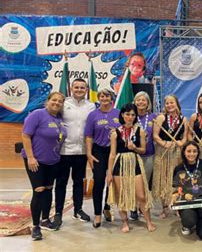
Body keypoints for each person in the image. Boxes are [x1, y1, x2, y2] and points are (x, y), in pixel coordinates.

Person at [22, 92, 67, 240]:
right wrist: (30, 157)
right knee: (39, 190)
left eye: (60, 101)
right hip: (36, 161)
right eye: (54, 100)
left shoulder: (59, 119)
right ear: (47, 101)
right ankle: (35, 226)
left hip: (53, 161)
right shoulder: (37, 115)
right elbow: (26, 135)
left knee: (48, 189)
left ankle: (45, 220)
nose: (57, 103)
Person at [106, 103, 155, 233]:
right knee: (121, 195)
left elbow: (143, 150)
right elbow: (112, 154)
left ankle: (148, 221)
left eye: (133, 115)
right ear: (122, 115)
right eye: (127, 114)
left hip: (135, 163)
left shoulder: (140, 131)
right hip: (120, 164)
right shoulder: (115, 133)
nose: (130, 117)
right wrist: (109, 173)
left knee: (141, 195)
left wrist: (135, 148)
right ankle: (125, 222)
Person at [53, 79, 96, 228]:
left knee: (79, 182)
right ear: (71, 88)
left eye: (82, 87)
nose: (79, 89)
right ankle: (58, 213)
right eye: (76, 87)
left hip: (82, 151)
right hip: (64, 151)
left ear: (86, 89)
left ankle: (78, 210)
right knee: (61, 182)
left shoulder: (91, 106)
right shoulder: (63, 104)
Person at [85, 88, 120, 228]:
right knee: (99, 182)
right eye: (102, 96)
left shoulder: (118, 113)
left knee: (111, 182)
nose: (105, 99)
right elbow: (88, 136)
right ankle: (97, 214)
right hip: (98, 151)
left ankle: (107, 207)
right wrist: (89, 153)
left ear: (111, 98)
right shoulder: (93, 115)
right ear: (99, 98)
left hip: (115, 151)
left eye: (107, 96)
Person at [153, 95, 188, 218]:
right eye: (167, 103)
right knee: (164, 178)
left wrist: (181, 143)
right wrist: (164, 143)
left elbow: (185, 137)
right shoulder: (161, 117)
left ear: (177, 103)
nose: (169, 105)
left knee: (177, 179)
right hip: (163, 151)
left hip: (177, 152)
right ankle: (164, 208)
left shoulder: (183, 119)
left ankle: (176, 206)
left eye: (172, 102)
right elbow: (155, 135)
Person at [172, 141, 202, 240]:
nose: (191, 154)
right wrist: (174, 199)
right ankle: (187, 224)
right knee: (189, 221)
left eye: (194, 151)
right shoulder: (178, 168)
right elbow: (177, 189)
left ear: (198, 152)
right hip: (187, 202)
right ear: (184, 152)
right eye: (189, 151)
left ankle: (200, 219)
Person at [129, 91, 157, 220]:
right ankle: (133, 207)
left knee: (145, 182)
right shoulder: (130, 116)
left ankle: (142, 206)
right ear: (134, 102)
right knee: (133, 181)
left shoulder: (153, 117)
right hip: (133, 155)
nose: (141, 102)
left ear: (148, 103)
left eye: (143, 100)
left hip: (149, 155)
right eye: (138, 100)